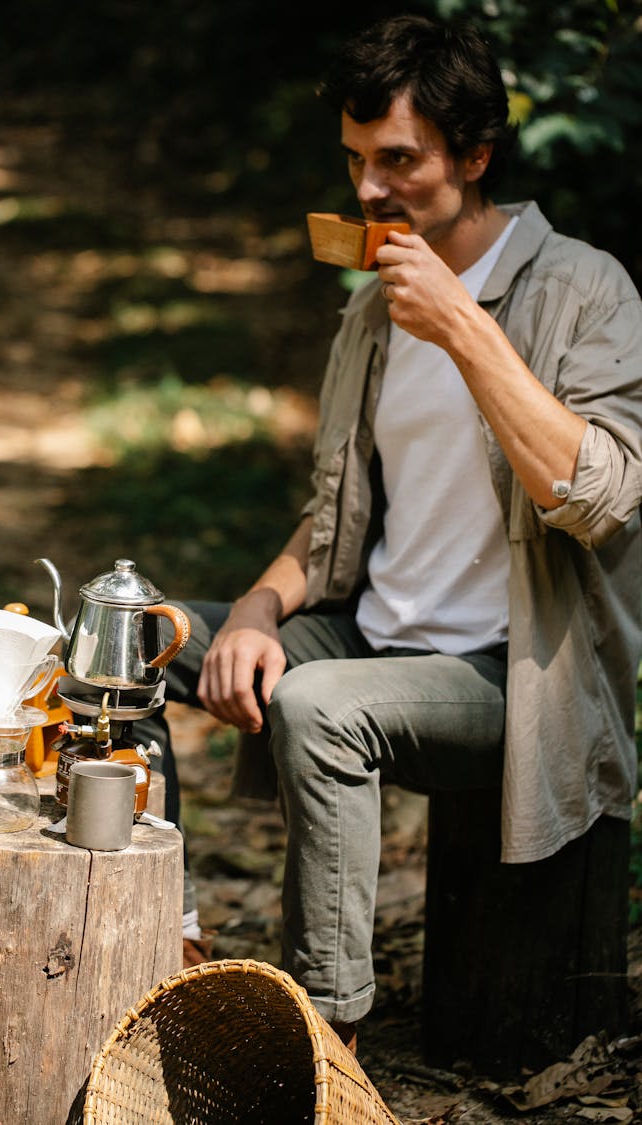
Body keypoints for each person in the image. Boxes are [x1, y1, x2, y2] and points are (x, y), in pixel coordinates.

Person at [140, 13, 642, 1040]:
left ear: (475, 154)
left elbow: (601, 499)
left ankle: (322, 1046)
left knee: (320, 708)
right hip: (375, 636)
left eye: (399, 160)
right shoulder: (371, 313)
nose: (369, 190)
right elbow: (333, 519)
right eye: (357, 160)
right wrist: (254, 607)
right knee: (121, 646)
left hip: (521, 679)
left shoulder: (586, 289)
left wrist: (464, 325)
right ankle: (160, 946)